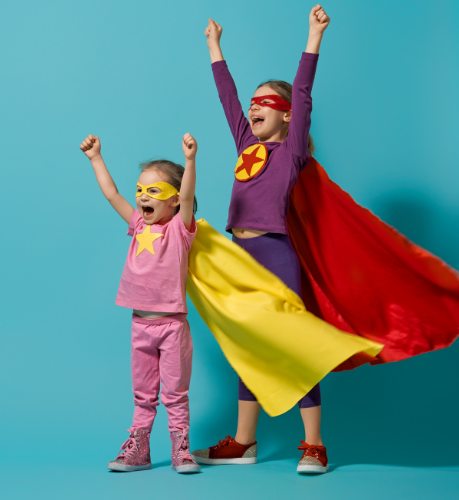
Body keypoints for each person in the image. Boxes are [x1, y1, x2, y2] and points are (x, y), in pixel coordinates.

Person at [191, 6, 332, 474]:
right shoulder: (245, 146)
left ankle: (314, 443)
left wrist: (312, 37)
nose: (253, 108)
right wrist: (215, 47)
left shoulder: (289, 153)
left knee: (289, 343)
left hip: (275, 253)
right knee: (247, 348)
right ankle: (245, 442)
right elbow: (227, 98)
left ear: (288, 118)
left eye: (266, 104)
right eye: (254, 103)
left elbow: (305, 92)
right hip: (239, 255)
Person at [79, 133, 201, 474]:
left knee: (175, 393)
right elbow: (111, 193)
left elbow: (189, 194)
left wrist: (190, 161)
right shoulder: (136, 224)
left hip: (172, 327)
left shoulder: (180, 228)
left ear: (174, 201)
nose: (143, 197)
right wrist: (96, 158)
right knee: (143, 393)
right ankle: (139, 449)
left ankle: (181, 449)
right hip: (140, 325)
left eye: (153, 191)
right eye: (141, 190)